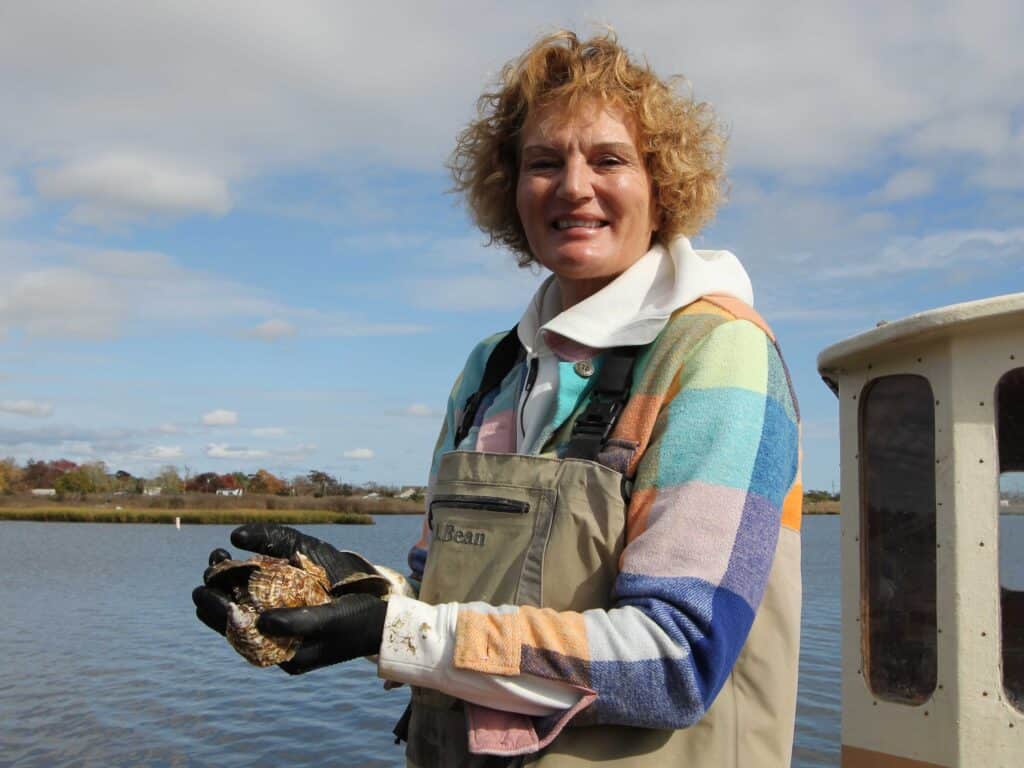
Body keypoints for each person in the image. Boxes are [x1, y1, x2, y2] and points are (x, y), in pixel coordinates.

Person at [193, 29, 802, 767]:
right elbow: (436, 594)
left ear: (663, 185)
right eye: (543, 163)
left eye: (609, 159)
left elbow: (676, 660)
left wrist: (393, 633)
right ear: (510, 191)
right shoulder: (491, 368)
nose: (574, 186)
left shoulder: (717, 352)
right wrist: (348, 590)